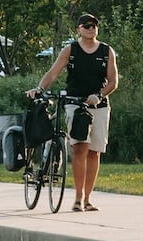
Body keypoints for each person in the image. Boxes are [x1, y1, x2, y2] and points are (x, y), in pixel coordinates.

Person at [27, 13, 120, 212]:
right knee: (80, 147)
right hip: (75, 103)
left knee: (94, 152)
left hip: (99, 105)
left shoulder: (106, 51)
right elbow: (53, 73)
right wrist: (40, 89)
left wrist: (99, 95)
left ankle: (87, 199)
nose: (91, 28)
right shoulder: (71, 50)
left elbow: (113, 81)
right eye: (87, 25)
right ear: (79, 29)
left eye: (94, 25)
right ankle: (78, 198)